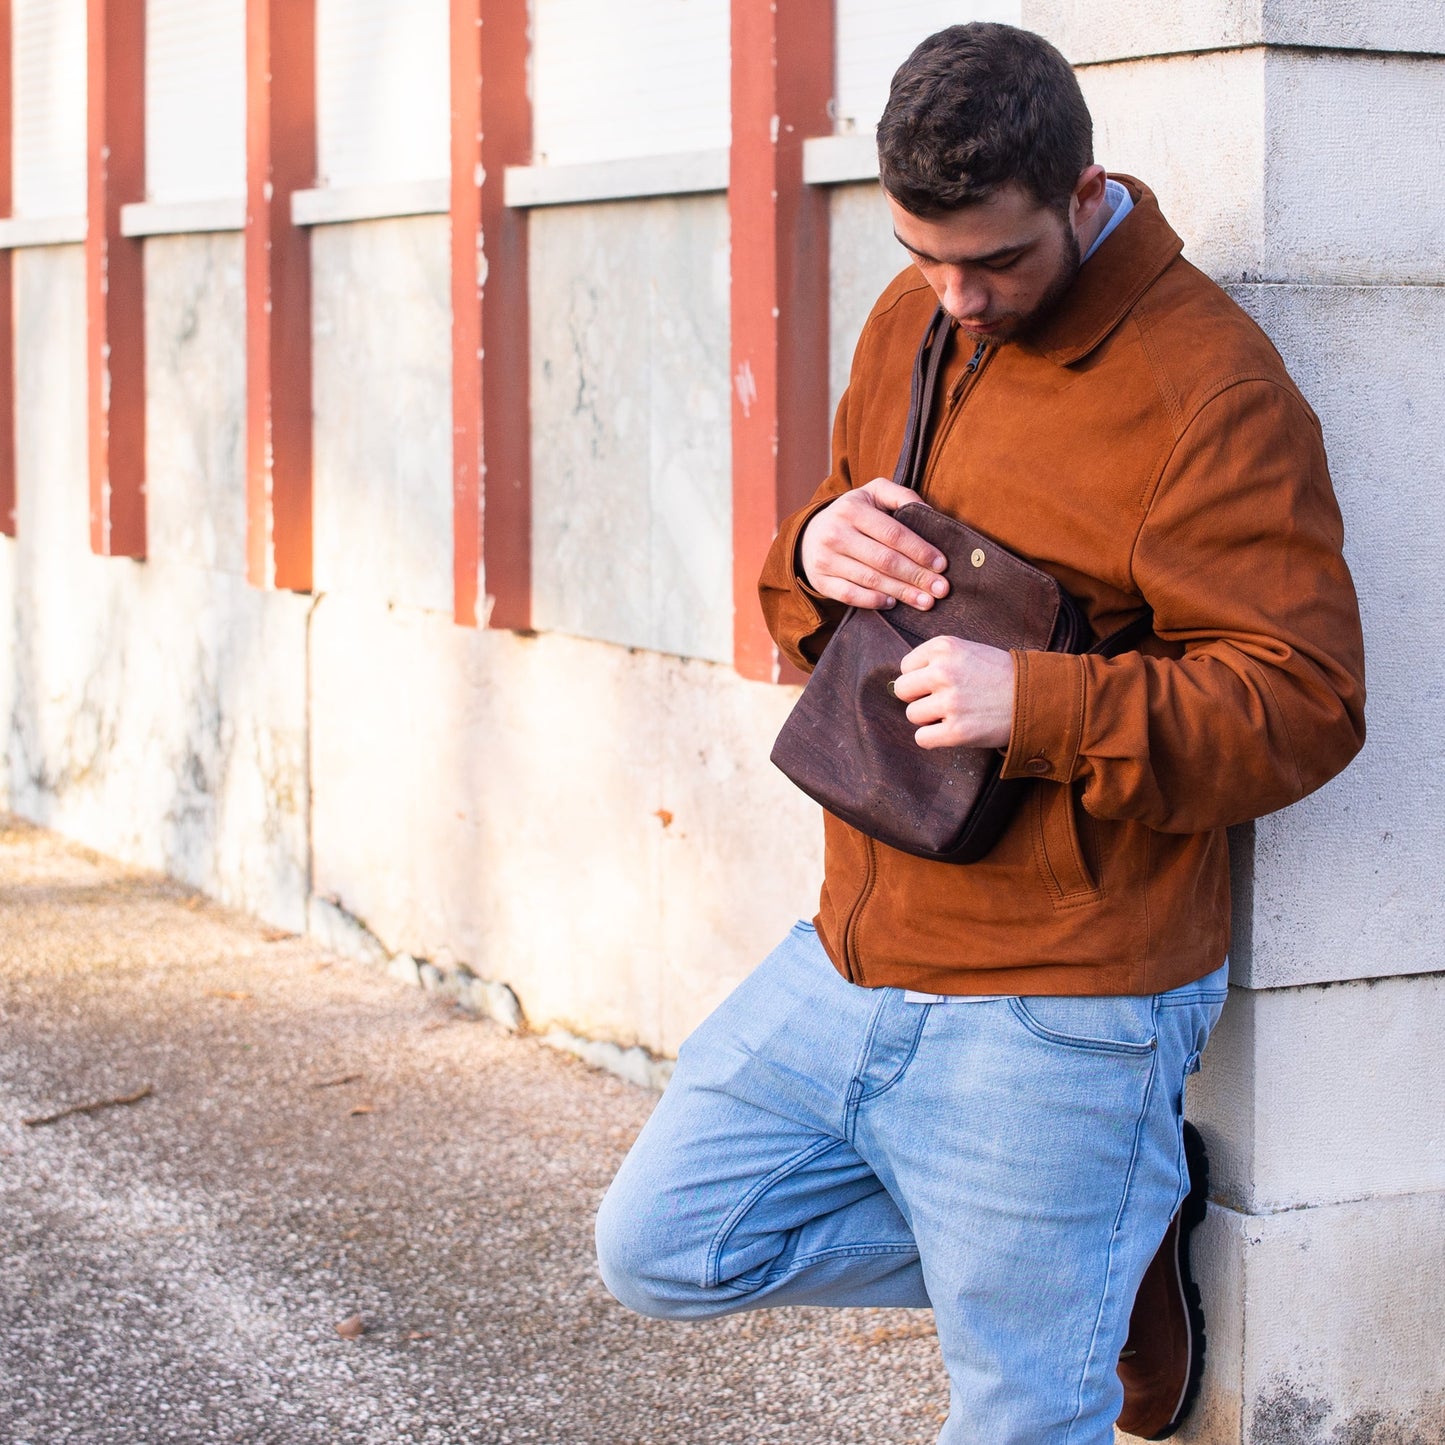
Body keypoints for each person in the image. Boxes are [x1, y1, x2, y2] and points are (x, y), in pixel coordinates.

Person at [595, 21, 1365, 1444]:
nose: (957, 297)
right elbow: (829, 577)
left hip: (1061, 995)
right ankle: (1098, 1254)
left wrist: (1045, 705)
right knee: (662, 1248)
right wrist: (810, 548)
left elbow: (1305, 703)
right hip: (853, 942)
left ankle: (1073, 1258)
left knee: (1018, 1406)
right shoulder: (915, 321)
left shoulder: (1211, 388)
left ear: (1082, 194)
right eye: (921, 256)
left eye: (996, 262)